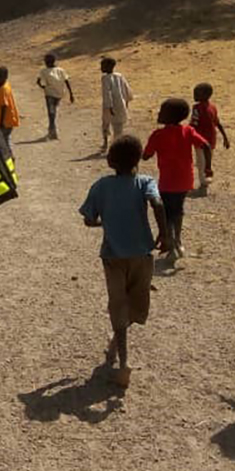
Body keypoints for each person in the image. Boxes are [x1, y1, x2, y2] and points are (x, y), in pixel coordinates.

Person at [79, 135, 171, 389]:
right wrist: (164, 234)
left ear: (109, 161)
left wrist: (102, 222)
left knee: (117, 303)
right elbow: (157, 203)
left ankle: (123, 361)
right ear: (138, 160)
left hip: (113, 257)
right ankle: (119, 340)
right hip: (142, 254)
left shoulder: (101, 186)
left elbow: (88, 219)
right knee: (136, 302)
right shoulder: (145, 182)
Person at [142, 98, 211, 262]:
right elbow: (206, 146)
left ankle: (171, 244)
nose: (158, 114)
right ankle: (178, 241)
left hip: (167, 183)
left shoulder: (158, 135)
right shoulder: (188, 131)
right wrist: (208, 167)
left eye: (161, 111)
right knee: (178, 210)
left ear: (169, 116)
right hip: (185, 181)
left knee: (166, 213)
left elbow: (146, 156)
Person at [190, 83, 230, 195]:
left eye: (196, 93)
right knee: (207, 160)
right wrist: (225, 137)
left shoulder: (196, 108)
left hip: (199, 139)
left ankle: (203, 185)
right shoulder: (212, 107)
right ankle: (207, 179)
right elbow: (218, 123)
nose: (194, 95)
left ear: (204, 95)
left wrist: (186, 134)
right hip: (211, 138)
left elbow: (194, 123)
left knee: (200, 161)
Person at [36, 52, 74, 140]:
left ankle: (52, 132)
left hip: (50, 94)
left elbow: (38, 81)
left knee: (51, 113)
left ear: (46, 62)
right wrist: (71, 94)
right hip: (60, 94)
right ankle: (53, 132)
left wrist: (43, 87)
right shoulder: (60, 70)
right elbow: (67, 81)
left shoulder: (44, 71)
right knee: (54, 112)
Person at [100, 57, 134, 152]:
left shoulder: (105, 78)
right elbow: (127, 89)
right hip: (121, 104)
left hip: (110, 106)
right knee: (118, 127)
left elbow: (107, 93)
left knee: (106, 124)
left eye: (102, 66)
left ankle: (107, 144)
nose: (101, 68)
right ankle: (116, 145)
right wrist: (127, 100)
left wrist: (109, 106)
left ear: (108, 67)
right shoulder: (119, 76)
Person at [0, 66, 19, 148]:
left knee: (4, 141)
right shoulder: (5, 85)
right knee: (6, 139)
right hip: (8, 120)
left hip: (6, 121)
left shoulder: (3, 89)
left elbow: (4, 106)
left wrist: (0, 123)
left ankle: (10, 157)